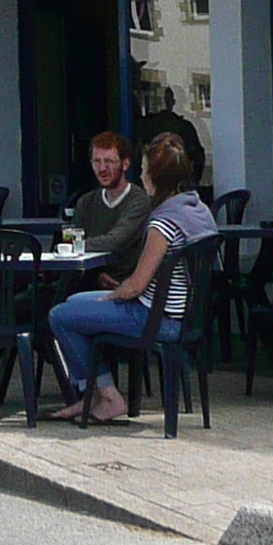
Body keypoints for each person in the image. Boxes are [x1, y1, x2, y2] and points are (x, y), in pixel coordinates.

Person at [42, 133, 216, 424]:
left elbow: (136, 285)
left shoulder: (163, 221)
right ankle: (92, 396)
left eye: (146, 171)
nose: (142, 176)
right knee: (76, 302)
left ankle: (107, 396)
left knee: (60, 314)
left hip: (156, 318)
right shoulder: (198, 210)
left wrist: (111, 295)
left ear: (155, 179)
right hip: (186, 317)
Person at [64, 133, 150, 283]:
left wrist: (74, 247)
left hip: (121, 285)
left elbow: (115, 241)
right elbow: (72, 241)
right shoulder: (85, 202)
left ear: (125, 164)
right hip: (87, 281)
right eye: (96, 162)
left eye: (109, 161)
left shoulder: (138, 201)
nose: (102, 168)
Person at [133, 86, 210, 200]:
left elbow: (198, 157)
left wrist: (193, 182)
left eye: (168, 98)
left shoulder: (184, 126)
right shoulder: (146, 125)